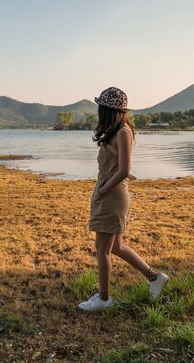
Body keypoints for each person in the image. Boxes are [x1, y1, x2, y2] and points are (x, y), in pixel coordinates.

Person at [78, 86, 168, 312]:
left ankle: (104, 298)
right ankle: (155, 278)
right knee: (113, 246)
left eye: (102, 108)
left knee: (103, 249)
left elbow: (125, 169)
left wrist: (103, 190)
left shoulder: (122, 132)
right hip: (107, 192)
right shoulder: (116, 130)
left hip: (111, 194)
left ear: (110, 110)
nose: (100, 112)